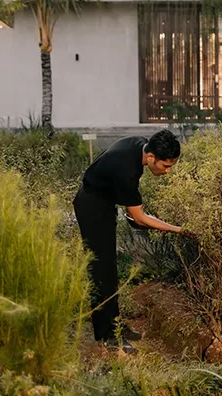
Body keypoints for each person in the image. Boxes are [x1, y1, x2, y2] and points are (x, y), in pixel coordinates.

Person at [73, 129, 183, 353]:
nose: (168, 172)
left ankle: (115, 326)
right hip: (92, 206)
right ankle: (106, 335)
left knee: (109, 269)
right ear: (151, 158)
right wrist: (178, 230)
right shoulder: (127, 170)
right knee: (100, 270)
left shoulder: (141, 145)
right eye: (166, 166)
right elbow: (139, 218)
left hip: (102, 202)